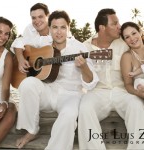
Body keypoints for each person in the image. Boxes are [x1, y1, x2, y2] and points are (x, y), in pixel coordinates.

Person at [15, 10, 99, 150]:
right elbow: (19, 42)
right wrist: (20, 58)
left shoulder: (79, 48)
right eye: (55, 27)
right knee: (27, 83)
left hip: (71, 95)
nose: (58, 32)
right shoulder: (43, 43)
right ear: (49, 28)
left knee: (69, 115)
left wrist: (84, 67)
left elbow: (91, 83)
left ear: (68, 28)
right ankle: (31, 130)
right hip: (48, 92)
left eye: (62, 27)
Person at [78, 8, 144, 150]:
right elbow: (87, 83)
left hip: (122, 91)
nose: (119, 26)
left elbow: (140, 52)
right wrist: (83, 68)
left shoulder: (124, 41)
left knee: (137, 106)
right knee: (85, 107)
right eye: (115, 23)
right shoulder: (85, 47)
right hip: (98, 92)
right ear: (102, 27)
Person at [0, 17, 17, 148]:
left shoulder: (7, 56)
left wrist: (3, 103)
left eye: (6, 33)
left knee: (9, 113)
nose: (3, 37)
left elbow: (5, 87)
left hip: (0, 97)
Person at [10, 3, 52, 73]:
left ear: (48, 16)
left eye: (40, 17)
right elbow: (19, 41)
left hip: (52, 73)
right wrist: (20, 59)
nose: (37, 21)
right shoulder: (29, 28)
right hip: (34, 73)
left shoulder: (58, 30)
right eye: (33, 18)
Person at [120, 22, 144, 96]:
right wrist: (140, 94)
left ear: (140, 32)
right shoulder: (127, 56)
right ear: (125, 41)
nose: (132, 38)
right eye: (127, 37)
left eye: (134, 33)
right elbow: (128, 84)